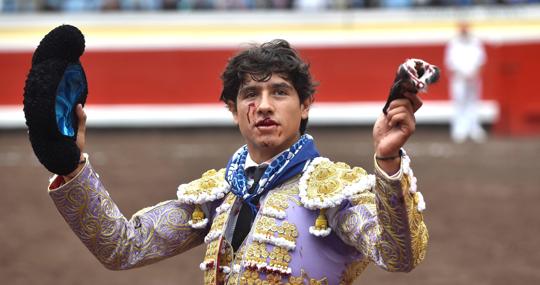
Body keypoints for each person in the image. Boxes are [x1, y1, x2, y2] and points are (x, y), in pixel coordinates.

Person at [42, 39, 428, 284]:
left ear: (305, 105)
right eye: (250, 94)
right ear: (233, 109)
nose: (263, 106)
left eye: (279, 92)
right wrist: (72, 167)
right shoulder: (222, 194)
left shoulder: (334, 194)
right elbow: (123, 246)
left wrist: (388, 159)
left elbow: (398, 256)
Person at [444, 22, 487, 143]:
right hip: (458, 79)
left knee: (473, 101)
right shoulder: (453, 43)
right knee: (459, 102)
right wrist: (461, 74)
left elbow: (481, 61)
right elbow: (450, 64)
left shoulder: (476, 42)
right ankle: (459, 129)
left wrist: (474, 74)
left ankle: (474, 128)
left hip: (474, 77)